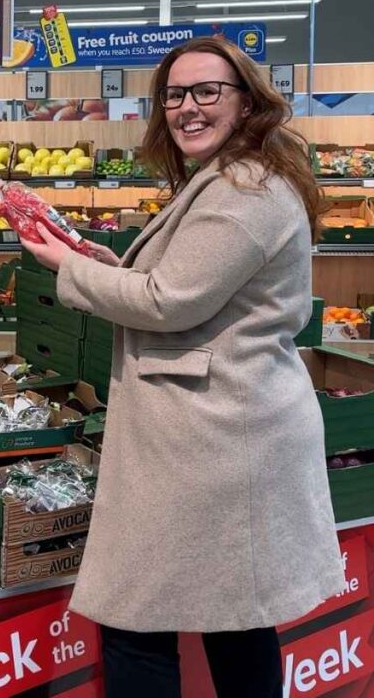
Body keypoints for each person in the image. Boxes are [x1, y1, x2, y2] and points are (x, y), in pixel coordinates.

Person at [21, 37, 344, 698]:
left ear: (246, 100)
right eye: (174, 94)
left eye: (207, 92)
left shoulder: (243, 190)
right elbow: (183, 288)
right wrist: (113, 269)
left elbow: (169, 302)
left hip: (215, 436)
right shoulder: (230, 176)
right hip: (216, 428)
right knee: (237, 616)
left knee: (137, 617)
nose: (187, 107)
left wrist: (68, 267)